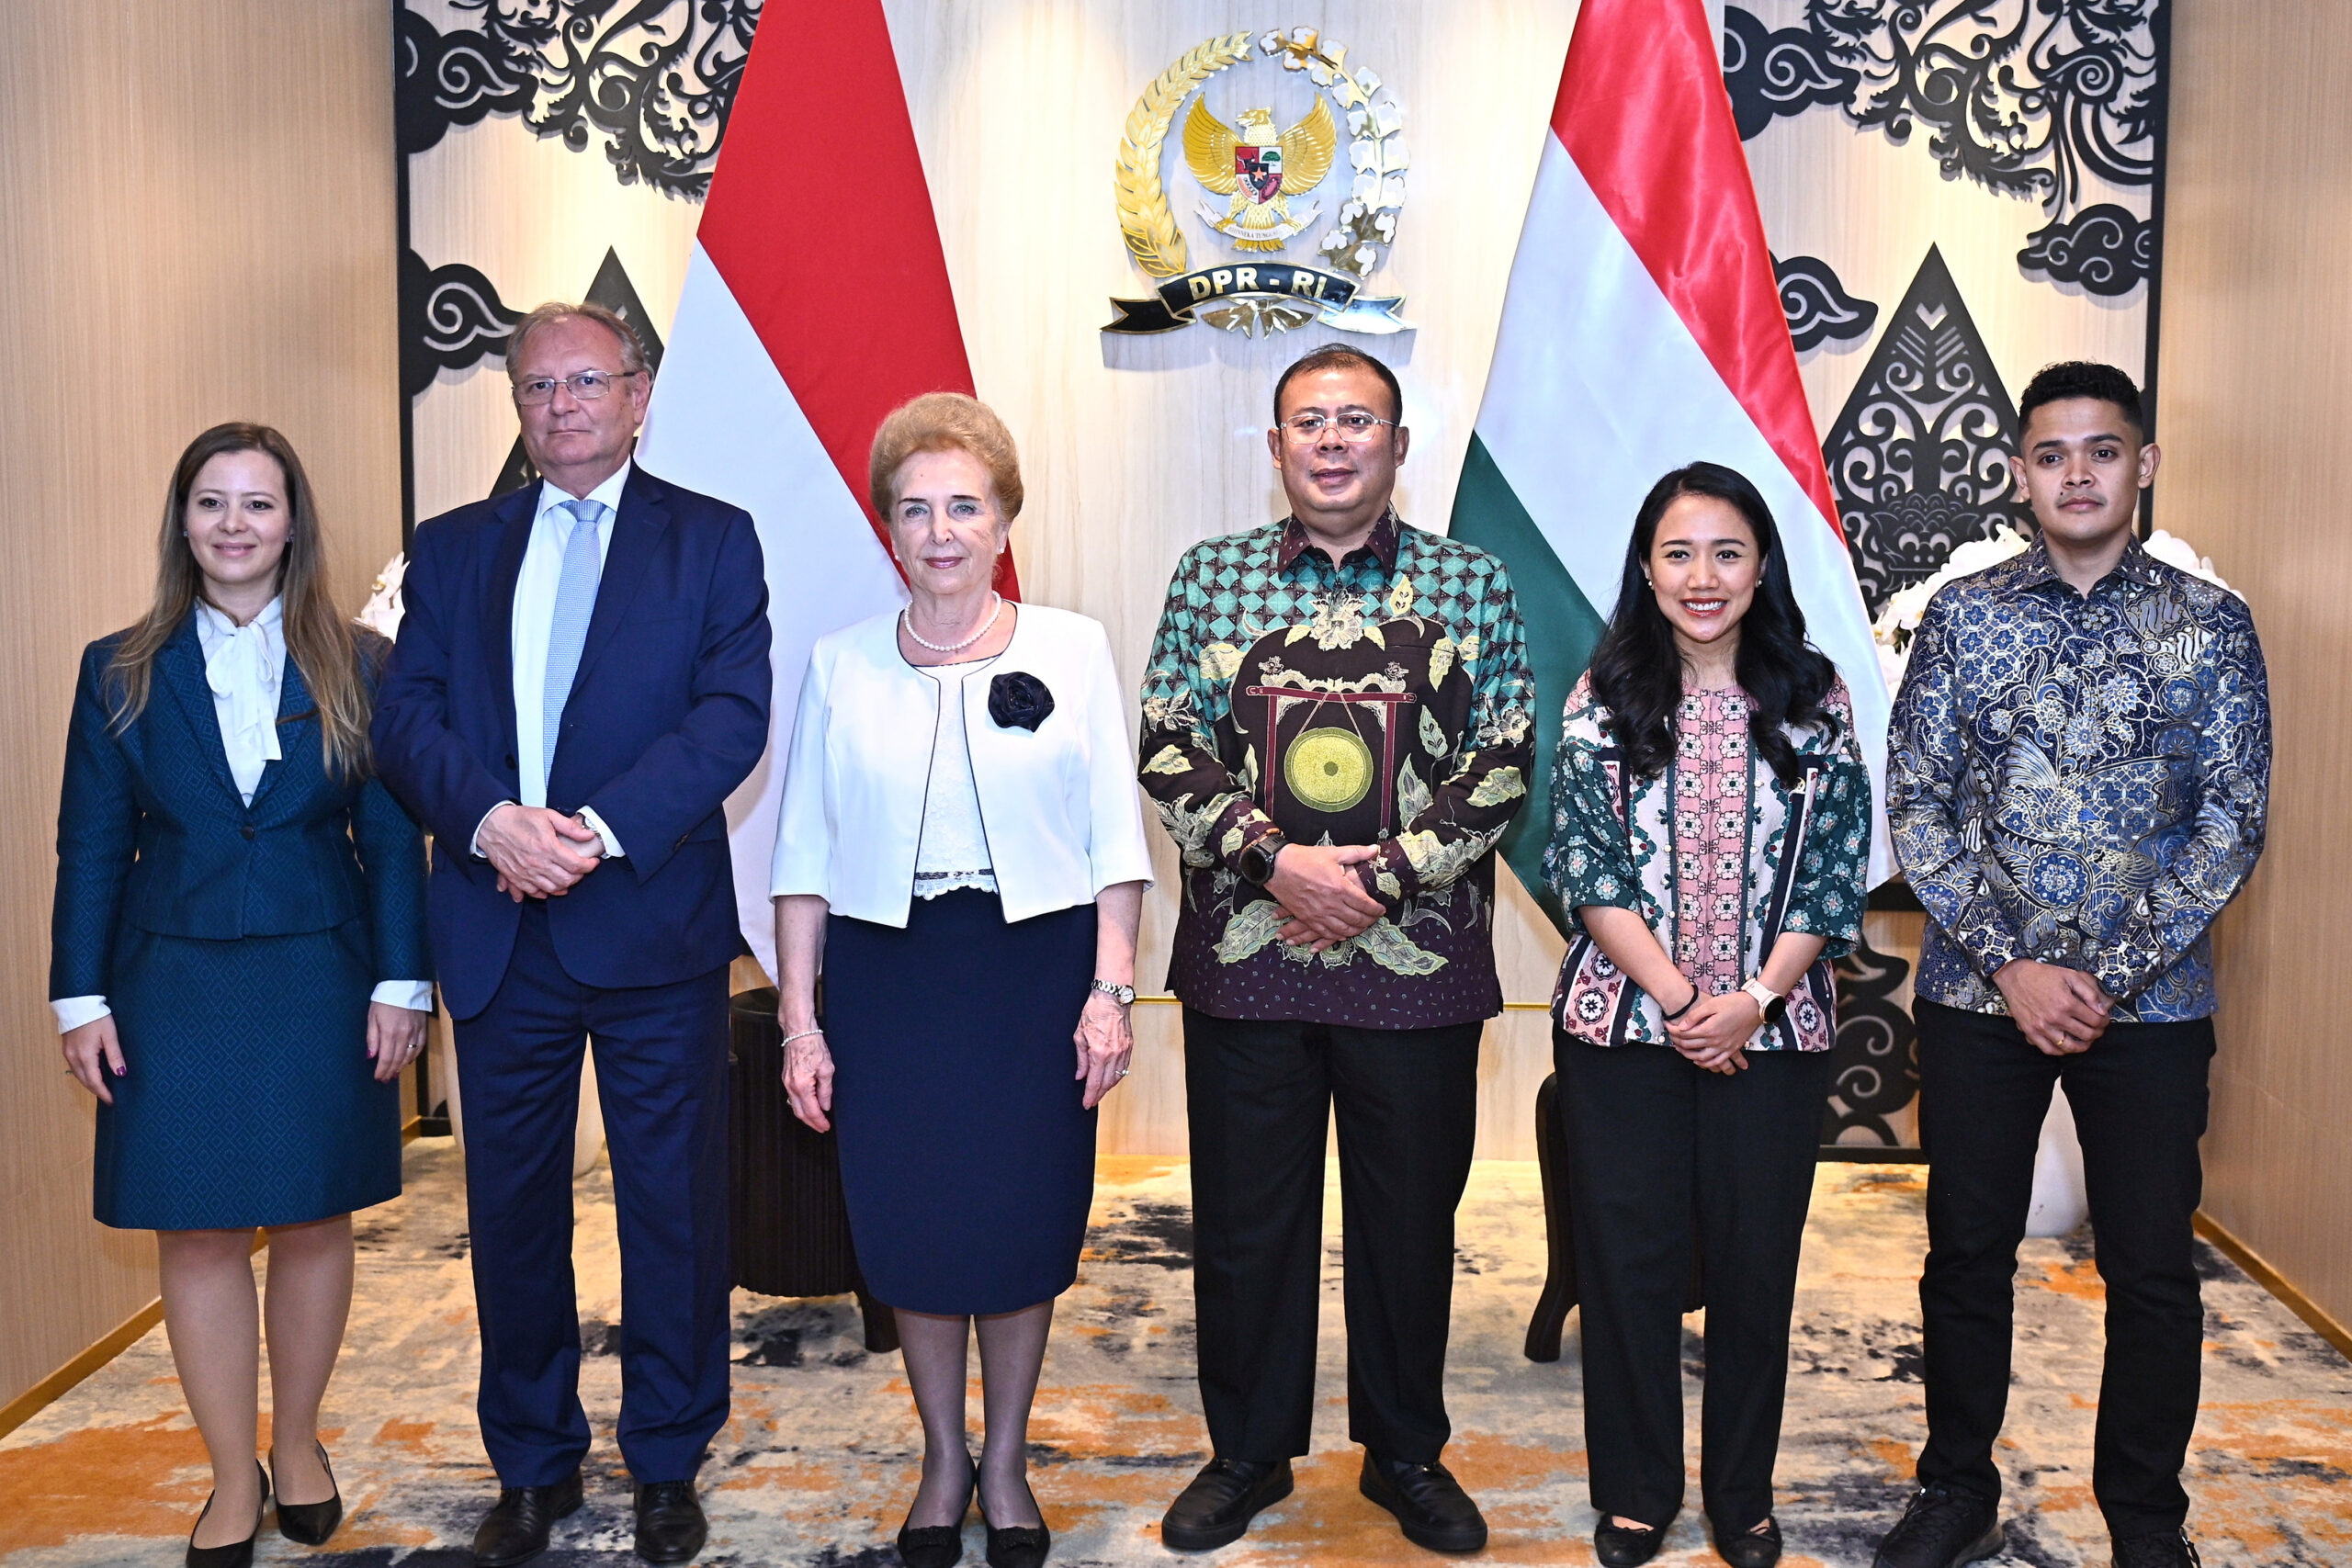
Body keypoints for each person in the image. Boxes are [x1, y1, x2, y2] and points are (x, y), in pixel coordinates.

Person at [370, 301, 772, 1567]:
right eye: (537, 387)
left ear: (640, 394)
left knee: (673, 1208)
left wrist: (589, 829)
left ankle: (667, 1458)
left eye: (586, 381)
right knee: (513, 1215)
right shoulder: (447, 551)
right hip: (499, 928)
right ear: (519, 406)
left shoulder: (711, 538)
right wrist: (491, 820)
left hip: (649, 928)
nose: (562, 405)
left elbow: (730, 717)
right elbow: (405, 716)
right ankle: (534, 1462)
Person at [1136, 345, 1535, 1555]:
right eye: (1307, 421)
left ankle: (1406, 1452)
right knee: (1248, 1221)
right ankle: (1247, 1452)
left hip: (1416, 964)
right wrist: (1279, 863)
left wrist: (1385, 876)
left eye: (1356, 420)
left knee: (1409, 1217)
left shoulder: (1473, 581)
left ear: (1397, 445)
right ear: (1274, 448)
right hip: (1248, 955)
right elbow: (1167, 738)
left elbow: (1507, 754)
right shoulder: (1212, 578)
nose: (1331, 440)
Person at [1874, 362, 2269, 1568]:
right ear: (2020, 474)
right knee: (1965, 1250)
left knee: (2151, 1262)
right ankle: (1954, 1482)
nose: (2079, 473)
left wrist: (2102, 968)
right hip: (1976, 993)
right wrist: (2015, 967)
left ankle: (2146, 1515)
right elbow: (1919, 804)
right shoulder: (1965, 615)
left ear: (2142, 465)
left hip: (2152, 1002)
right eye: (2053, 453)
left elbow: (2231, 818)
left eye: (2103, 450)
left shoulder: (2211, 624)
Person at [772, 392, 1153, 1568]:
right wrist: (800, 1020)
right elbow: (803, 858)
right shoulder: (837, 666)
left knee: (1021, 1224)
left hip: (1033, 977)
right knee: (921, 1230)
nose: (940, 530)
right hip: (890, 981)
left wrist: (1112, 989)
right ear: (888, 525)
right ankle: (942, 1456)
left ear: (1004, 521)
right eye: (916, 508)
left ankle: (1007, 1460)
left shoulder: (1072, 648)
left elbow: (1113, 845)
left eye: (965, 506)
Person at [51, 423, 431, 1568]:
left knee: (316, 1215)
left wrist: (403, 978)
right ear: (181, 522)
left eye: (257, 504)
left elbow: (393, 834)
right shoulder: (117, 667)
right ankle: (228, 1477)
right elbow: (90, 845)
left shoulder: (362, 663)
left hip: (322, 974)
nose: (233, 525)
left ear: (291, 524)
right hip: (169, 981)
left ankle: (302, 1447)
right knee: (200, 1228)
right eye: (211, 503)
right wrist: (80, 999)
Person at [1543, 463, 1871, 1568]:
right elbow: (1583, 867)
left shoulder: (1814, 696)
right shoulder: (1604, 693)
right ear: (1645, 567)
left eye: (1726, 552)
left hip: (1773, 1037)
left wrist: (1753, 1001)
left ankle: (1742, 1494)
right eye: (1678, 553)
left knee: (1753, 1267)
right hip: (1624, 1031)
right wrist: (1688, 1004)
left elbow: (1831, 877)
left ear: (1761, 565)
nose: (1702, 575)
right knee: (1626, 1265)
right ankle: (1636, 1490)